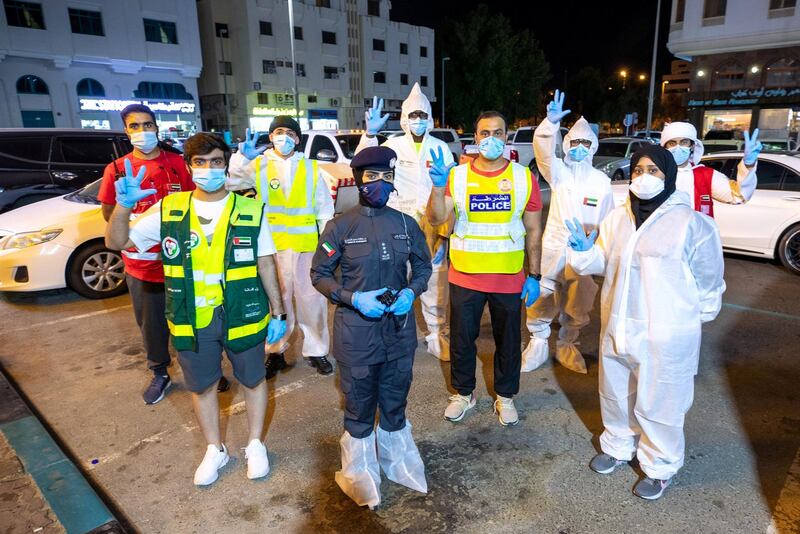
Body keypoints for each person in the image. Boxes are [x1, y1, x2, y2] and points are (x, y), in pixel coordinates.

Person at [105, 133, 288, 486]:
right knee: (202, 386)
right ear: (189, 167)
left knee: (253, 380)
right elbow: (118, 243)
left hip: (242, 312)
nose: (208, 169)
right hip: (191, 315)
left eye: (216, 161)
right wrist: (123, 206)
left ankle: (254, 444)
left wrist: (278, 313)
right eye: (200, 163)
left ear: (226, 164)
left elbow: (266, 263)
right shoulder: (169, 209)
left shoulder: (250, 208)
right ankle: (214, 449)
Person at [566, 144, 725, 500]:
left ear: (668, 176)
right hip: (618, 325)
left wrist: (691, 320)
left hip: (666, 331)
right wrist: (581, 251)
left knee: (661, 401)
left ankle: (660, 465)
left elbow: (709, 280)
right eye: (638, 170)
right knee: (615, 392)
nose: (643, 177)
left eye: (653, 170)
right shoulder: (618, 218)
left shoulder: (692, 223)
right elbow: (601, 263)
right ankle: (619, 446)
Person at [311, 146, 432, 509]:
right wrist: (350, 297)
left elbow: (423, 267)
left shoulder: (406, 224)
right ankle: (360, 470)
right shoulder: (340, 225)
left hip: (398, 331)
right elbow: (318, 274)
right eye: (372, 176)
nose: (380, 183)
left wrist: (412, 291)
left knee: (396, 399)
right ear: (360, 179)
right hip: (357, 333)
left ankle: (398, 462)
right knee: (360, 404)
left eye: (387, 177)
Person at [427, 111, 544, 427]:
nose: (490, 139)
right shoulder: (458, 176)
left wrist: (535, 275)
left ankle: (505, 397)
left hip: (508, 274)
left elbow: (534, 230)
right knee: (462, 340)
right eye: (484, 133)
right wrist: (439, 187)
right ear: (475, 138)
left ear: (507, 136)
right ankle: (463, 393)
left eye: (497, 132)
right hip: (465, 272)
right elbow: (438, 220)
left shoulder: (523, 177)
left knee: (508, 341)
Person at [99, 104, 209, 404]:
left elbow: (197, 203)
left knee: (194, 318)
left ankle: (204, 369)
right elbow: (110, 213)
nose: (143, 132)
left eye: (148, 125)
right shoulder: (118, 169)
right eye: (135, 126)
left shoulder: (177, 164)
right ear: (126, 130)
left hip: (182, 261)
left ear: (156, 128)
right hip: (142, 266)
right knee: (152, 324)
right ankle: (160, 371)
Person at [228, 116, 335, 378]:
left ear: (297, 139)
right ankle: (275, 351)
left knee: (312, 301)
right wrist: (241, 158)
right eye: (278, 131)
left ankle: (317, 351)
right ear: (271, 136)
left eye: (289, 132)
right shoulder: (258, 165)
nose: (283, 137)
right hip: (271, 248)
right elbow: (231, 183)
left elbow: (324, 210)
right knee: (277, 300)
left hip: (307, 247)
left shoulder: (312, 168)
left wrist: (328, 249)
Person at [355, 83, 455, 360]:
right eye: (413, 115)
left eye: (423, 115)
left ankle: (437, 334)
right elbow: (364, 163)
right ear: (404, 118)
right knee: (394, 276)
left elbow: (449, 189)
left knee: (434, 279)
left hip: (432, 226)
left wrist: (444, 224)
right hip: (397, 223)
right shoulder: (392, 146)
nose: (418, 120)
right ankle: (393, 333)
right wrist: (370, 134)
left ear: (430, 117)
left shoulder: (440, 148)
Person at [523, 89, 615, 374]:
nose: (579, 148)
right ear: (566, 144)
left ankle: (567, 344)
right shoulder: (558, 172)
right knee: (541, 298)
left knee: (578, 303)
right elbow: (543, 152)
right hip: (552, 249)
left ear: (593, 147)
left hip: (583, 255)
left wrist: (602, 253)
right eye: (574, 142)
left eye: (585, 143)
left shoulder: (602, 182)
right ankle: (537, 343)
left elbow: (609, 222)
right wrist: (549, 125)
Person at [660, 121, 761, 216]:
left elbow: (738, 196)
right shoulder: (654, 173)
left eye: (684, 142)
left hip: (697, 233)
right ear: (665, 147)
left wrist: (748, 165)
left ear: (692, 146)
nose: (678, 147)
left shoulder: (705, 175)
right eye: (672, 143)